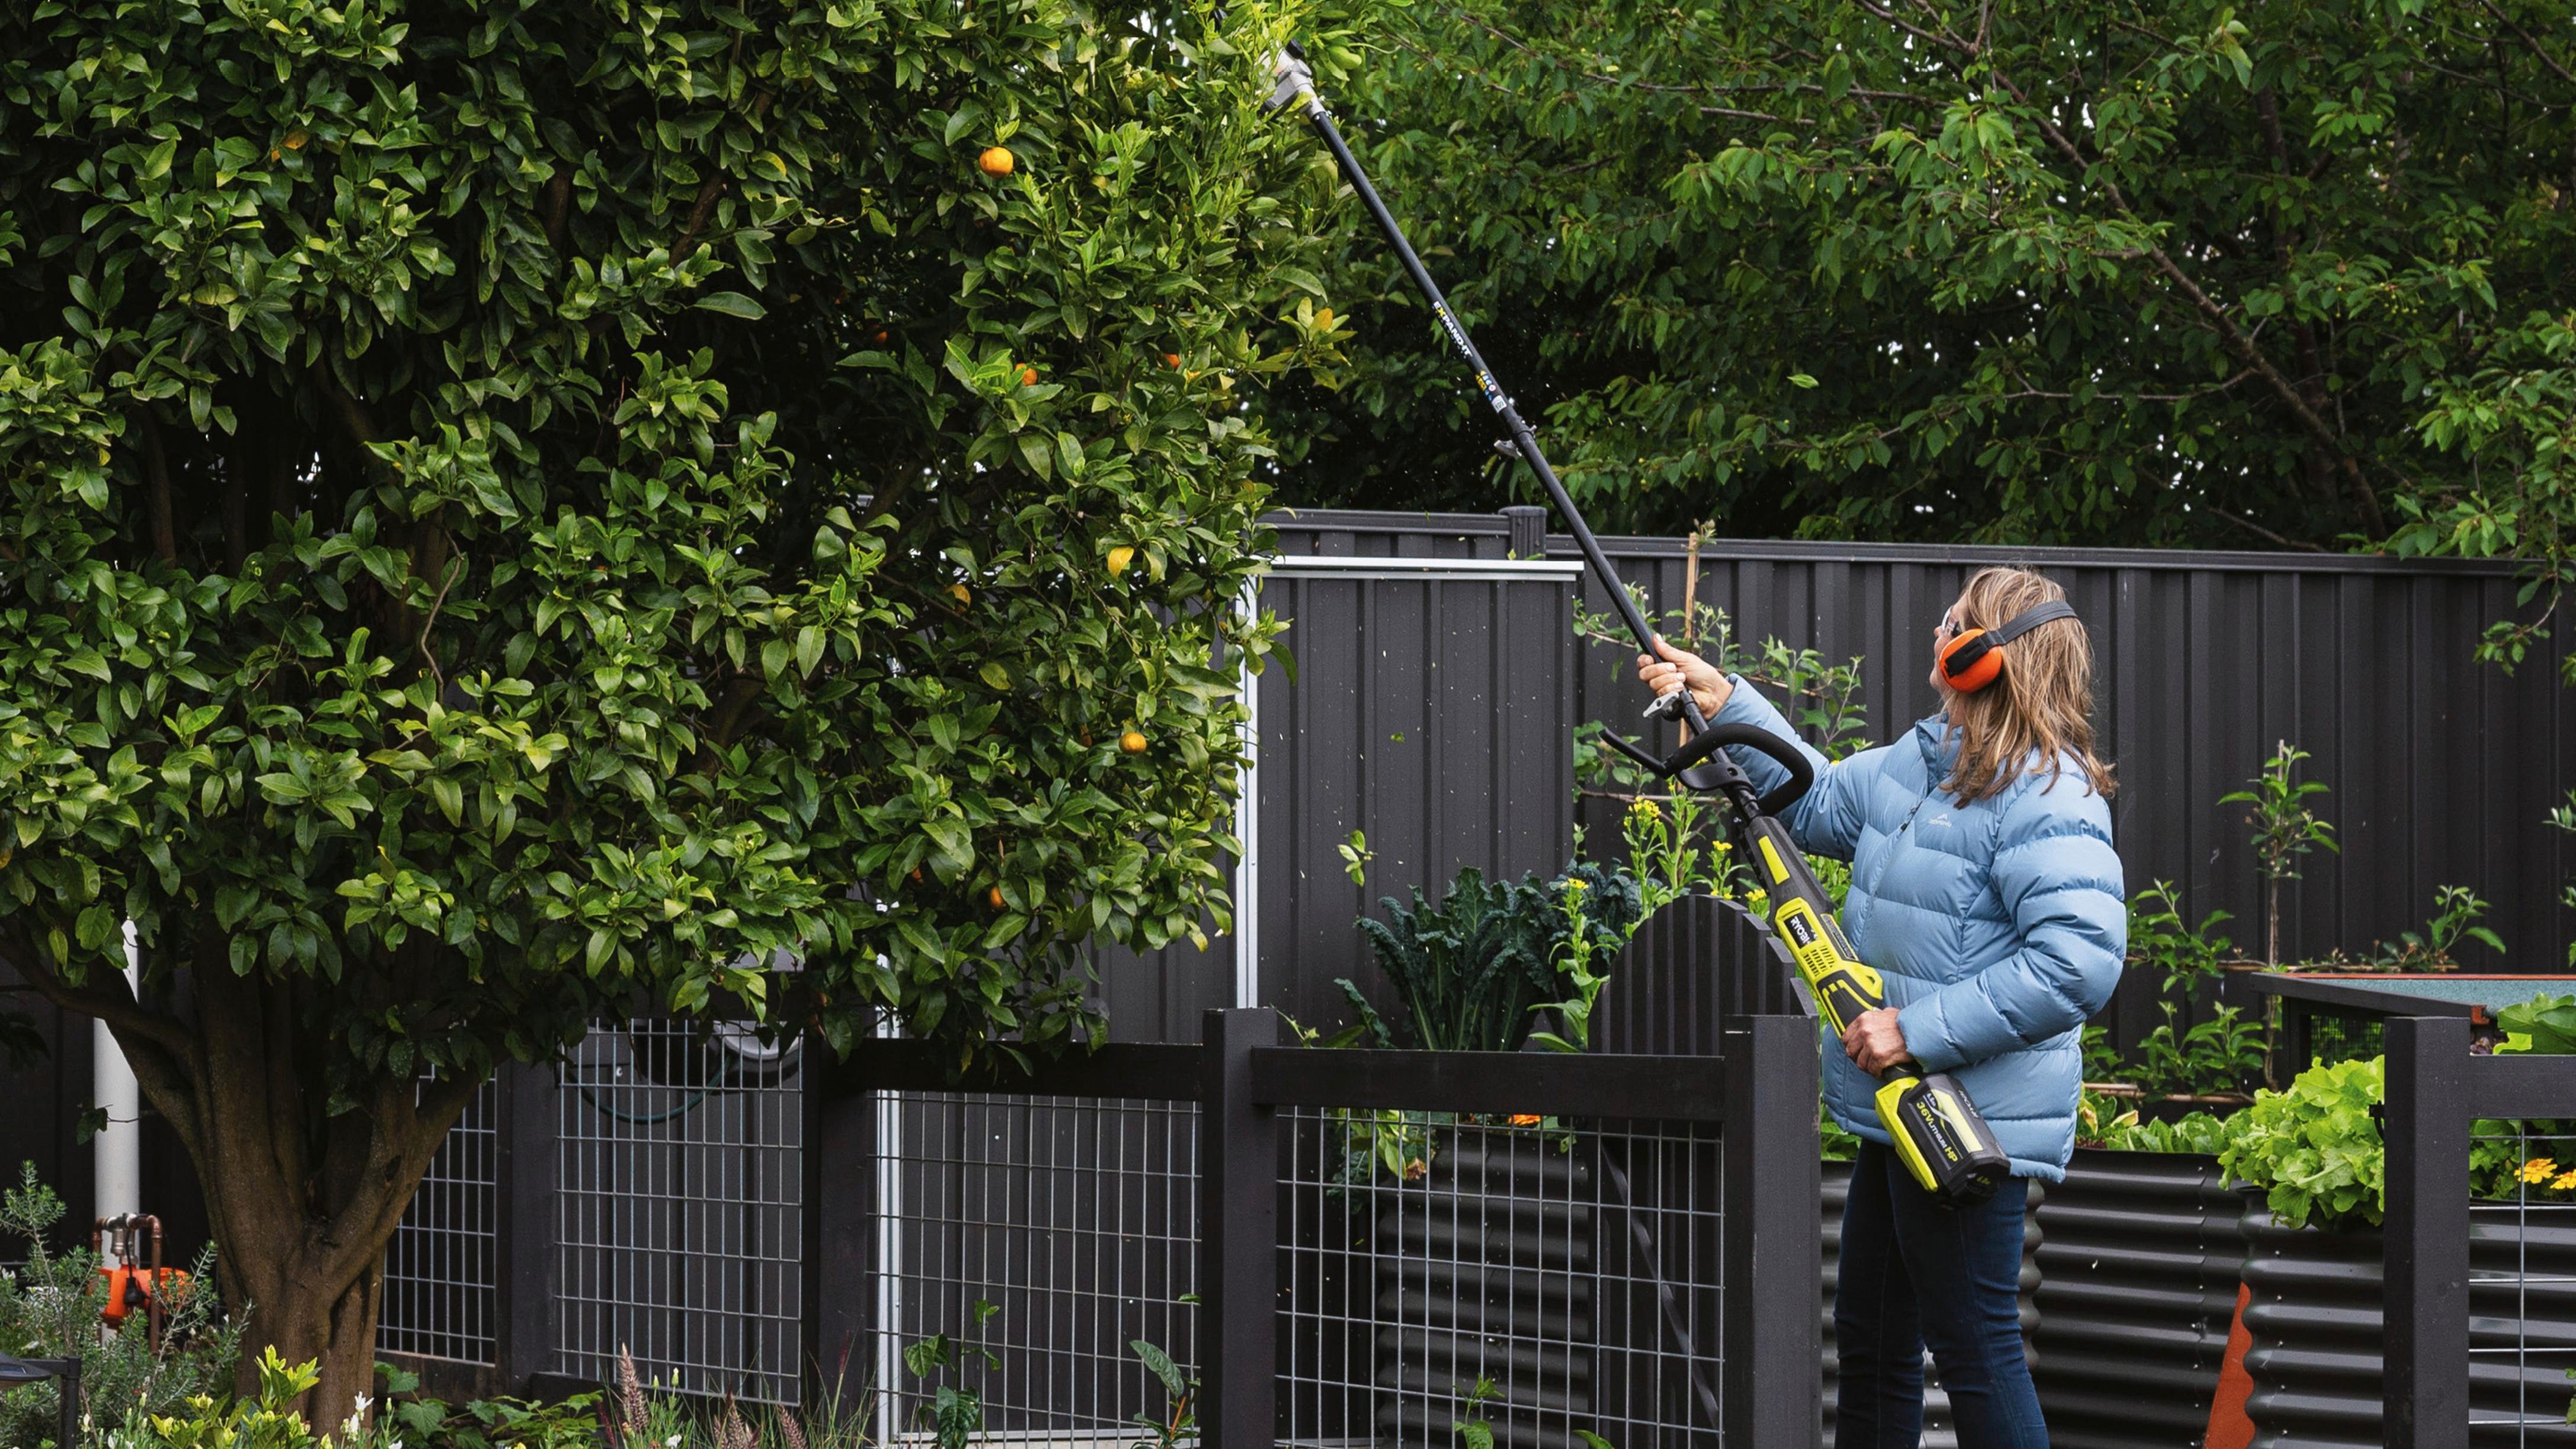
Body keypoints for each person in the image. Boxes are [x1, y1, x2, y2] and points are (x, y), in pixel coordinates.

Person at [1637, 566, 2124, 1449]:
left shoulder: (2047, 795)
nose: (1937, 636)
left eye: (1955, 625)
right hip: (1896, 1116)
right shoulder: (1925, 761)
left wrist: (1915, 1030)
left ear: (1985, 658)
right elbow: (1818, 803)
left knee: (1974, 1352)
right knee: (1870, 1344)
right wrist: (1726, 699)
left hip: (1970, 1126)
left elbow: (2077, 964)